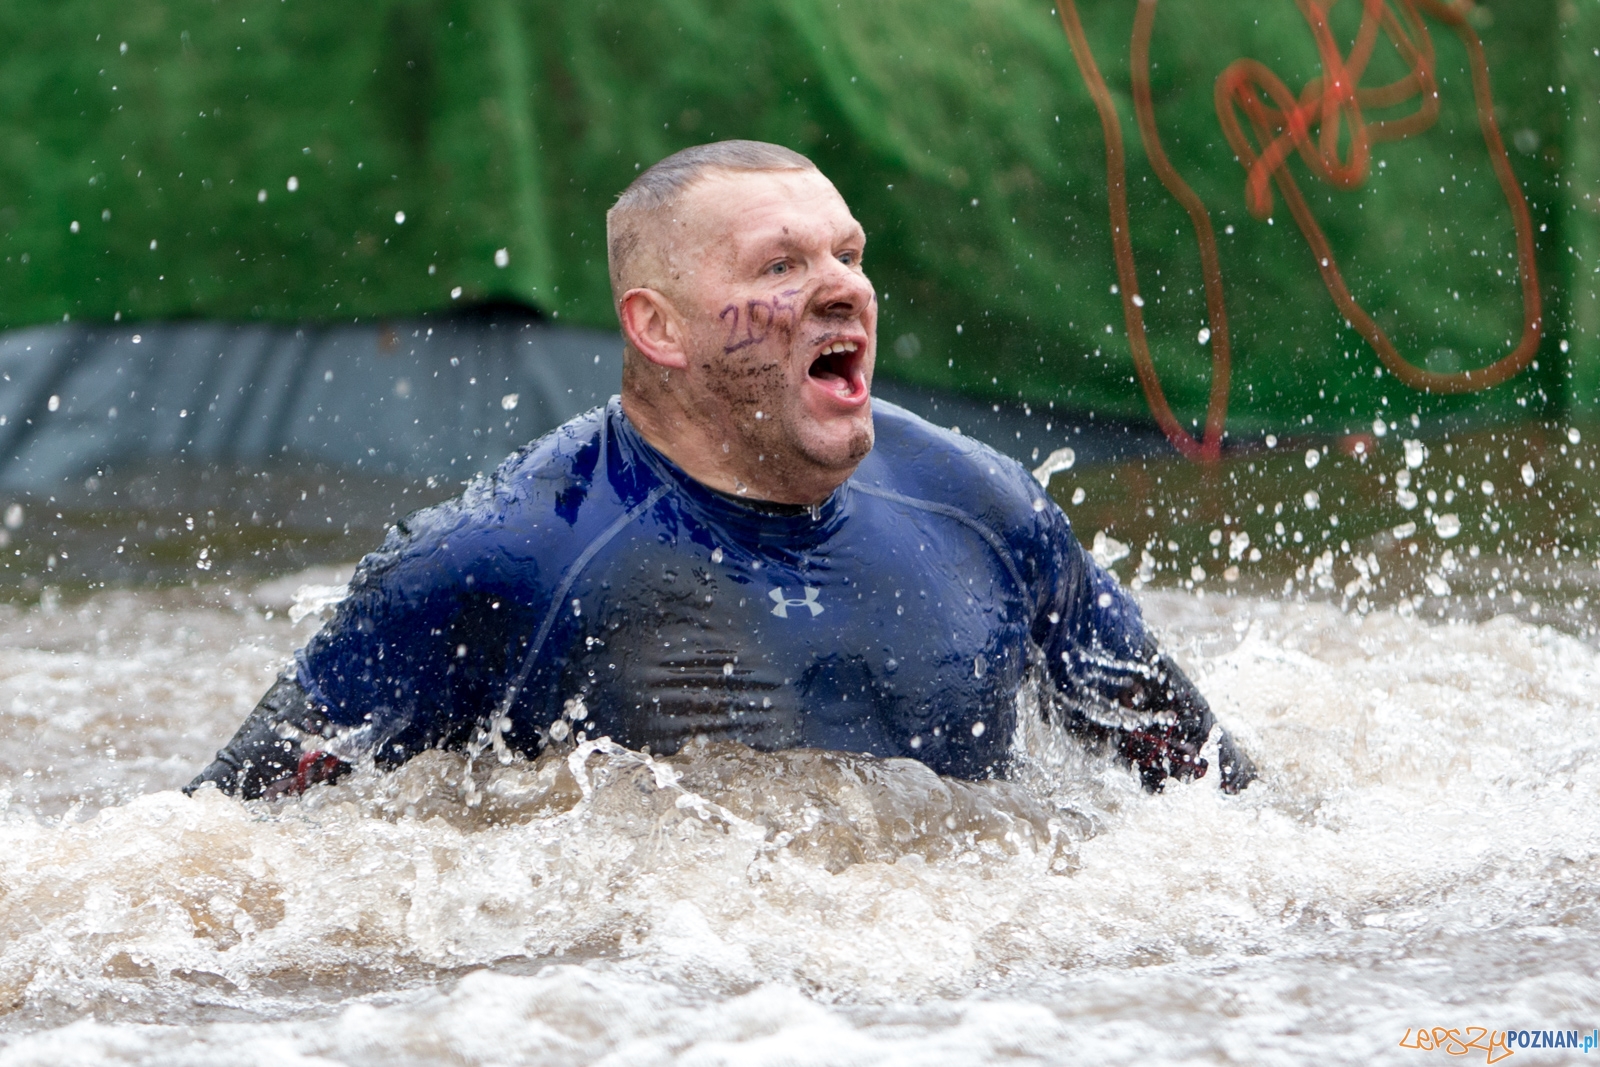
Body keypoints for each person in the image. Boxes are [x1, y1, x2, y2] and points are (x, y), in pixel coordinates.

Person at [186, 140, 1256, 801]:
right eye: (782, 266)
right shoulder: (500, 557)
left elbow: (1216, 804)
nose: (843, 288)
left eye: (848, 252)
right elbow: (216, 861)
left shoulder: (983, 505)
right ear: (658, 326)